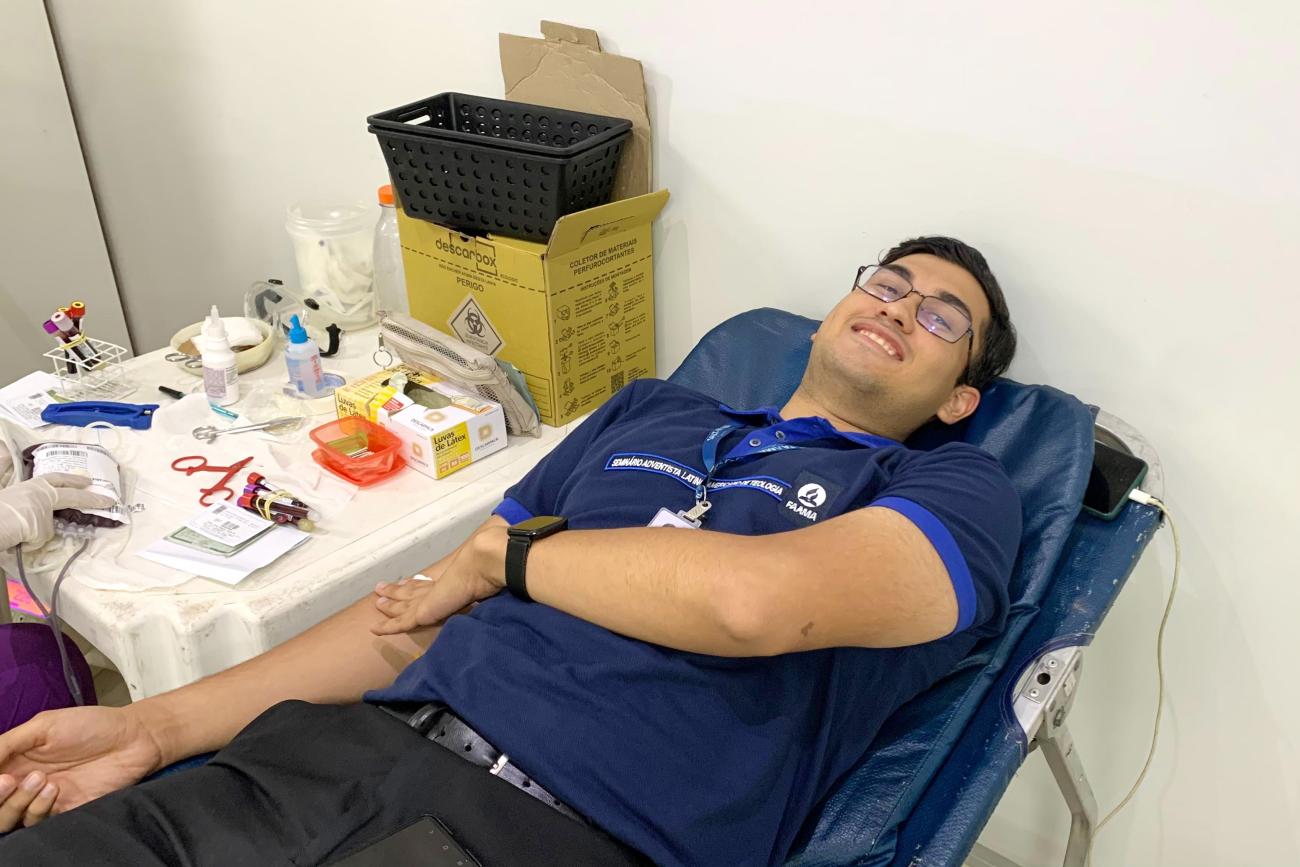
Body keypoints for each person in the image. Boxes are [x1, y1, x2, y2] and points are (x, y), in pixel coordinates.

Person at [0, 236, 1021, 866]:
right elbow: (420, 609)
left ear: (959, 398)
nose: (898, 307)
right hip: (329, 758)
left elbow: (754, 604)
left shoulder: (954, 492)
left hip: (558, 829)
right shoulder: (654, 412)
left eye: (940, 318)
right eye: (888, 282)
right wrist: (153, 728)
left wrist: (507, 559)